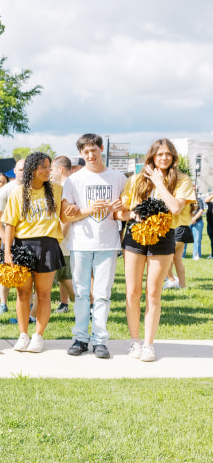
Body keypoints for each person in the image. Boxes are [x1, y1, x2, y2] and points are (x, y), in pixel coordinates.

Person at [114, 139, 194, 362]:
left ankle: (149, 344)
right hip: (136, 236)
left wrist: (159, 182)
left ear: (174, 157)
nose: (164, 158)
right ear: (151, 156)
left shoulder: (182, 180)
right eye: (159, 154)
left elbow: (176, 207)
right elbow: (121, 213)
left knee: (153, 293)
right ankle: (135, 342)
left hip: (164, 236)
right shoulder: (135, 180)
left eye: (168, 154)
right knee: (132, 291)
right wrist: (131, 215)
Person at [61, 134, 126, 359]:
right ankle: (79, 338)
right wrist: (87, 210)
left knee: (102, 294)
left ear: (101, 149)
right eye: (86, 152)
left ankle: (100, 340)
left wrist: (118, 207)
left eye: (94, 150)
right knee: (80, 293)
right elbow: (66, 215)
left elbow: (123, 211)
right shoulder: (73, 181)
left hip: (108, 242)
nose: (91, 155)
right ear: (81, 154)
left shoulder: (118, 178)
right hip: (80, 243)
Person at [3, 152, 73, 353]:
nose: (47, 170)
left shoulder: (57, 190)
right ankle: (23, 334)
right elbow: (10, 224)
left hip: (48, 246)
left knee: (43, 294)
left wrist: (78, 210)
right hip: (23, 246)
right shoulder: (18, 192)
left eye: (49, 167)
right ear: (32, 169)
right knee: (23, 293)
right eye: (43, 167)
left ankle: (38, 336)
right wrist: (8, 251)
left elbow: (65, 215)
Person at [0, 159, 25, 316]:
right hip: (8, 235)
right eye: (20, 169)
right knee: (5, 272)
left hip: (27, 237)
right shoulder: (6, 190)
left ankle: (26, 304)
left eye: (26, 169)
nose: (23, 172)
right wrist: (5, 238)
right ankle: (3, 304)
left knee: (26, 273)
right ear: (14, 171)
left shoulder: (35, 188)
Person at [50, 155, 76, 314]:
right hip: (64, 241)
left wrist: (57, 240)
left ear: (60, 169)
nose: (50, 172)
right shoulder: (65, 185)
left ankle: (87, 307)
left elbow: (67, 218)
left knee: (63, 277)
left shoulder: (67, 187)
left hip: (63, 241)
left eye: (51, 169)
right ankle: (69, 305)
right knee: (65, 278)